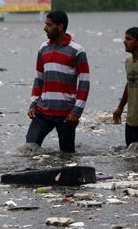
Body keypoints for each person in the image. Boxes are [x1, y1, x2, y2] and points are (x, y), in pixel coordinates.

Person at [20, 10, 90, 153]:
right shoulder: (43, 48)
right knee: (29, 148)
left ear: (60, 27)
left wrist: (76, 112)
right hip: (43, 111)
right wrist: (33, 104)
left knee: (67, 155)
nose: (45, 28)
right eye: (45, 24)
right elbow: (39, 78)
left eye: (49, 25)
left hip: (66, 114)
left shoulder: (77, 51)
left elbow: (84, 83)